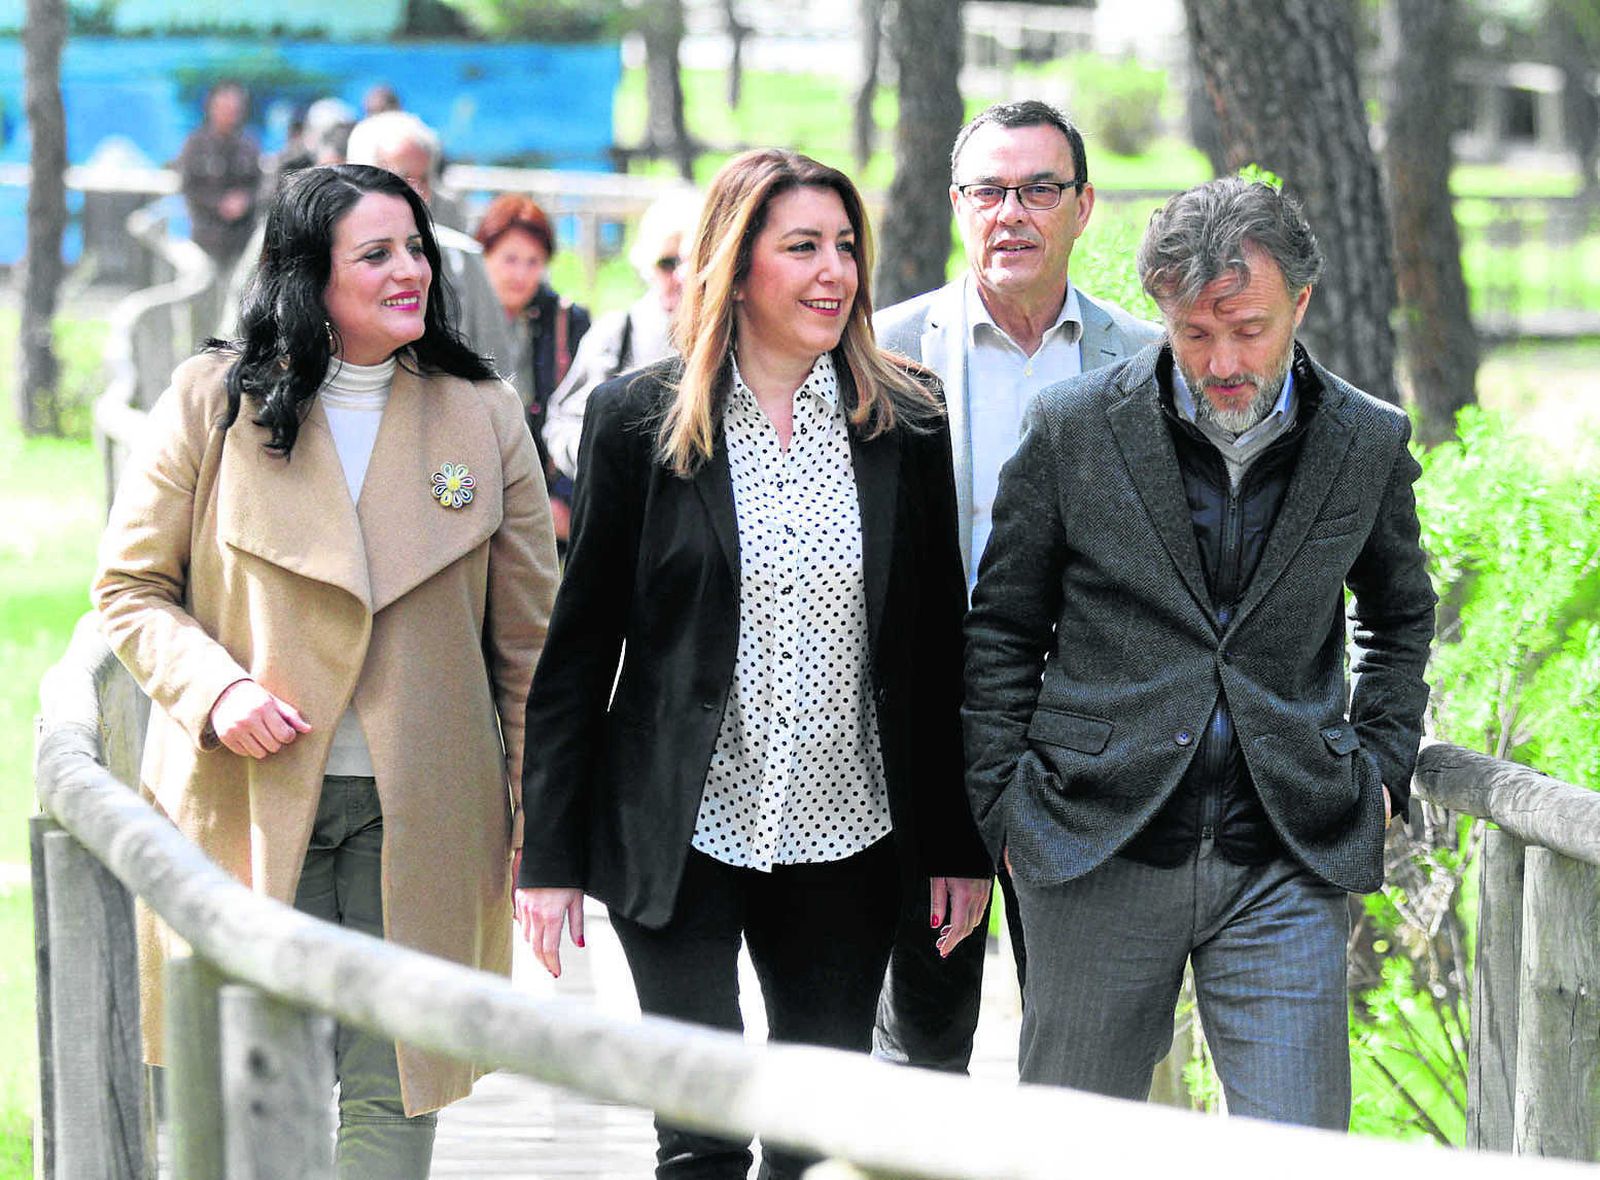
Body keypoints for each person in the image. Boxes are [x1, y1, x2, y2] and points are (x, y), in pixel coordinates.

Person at [515, 148, 991, 1179]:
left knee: (813, 1132)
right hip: (676, 826)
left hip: (847, 829)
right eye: (803, 248)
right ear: (737, 264)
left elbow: (932, 648)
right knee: (700, 1134)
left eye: (845, 247)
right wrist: (546, 857)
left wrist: (954, 844)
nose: (835, 272)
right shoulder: (637, 419)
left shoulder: (904, 418)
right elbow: (578, 647)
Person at [94, 163, 558, 1177]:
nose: (414, 272)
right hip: (247, 797)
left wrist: (538, 822)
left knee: (396, 1086)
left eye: (417, 248)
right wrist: (218, 691)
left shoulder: (482, 415)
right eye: (378, 253)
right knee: (262, 1084)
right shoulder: (208, 403)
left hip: (427, 812)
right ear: (309, 275)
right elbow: (130, 587)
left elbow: (529, 649)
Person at [963, 177, 1436, 1127]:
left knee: (1296, 1152)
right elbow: (1005, 627)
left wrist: (1380, 763)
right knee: (1066, 1150)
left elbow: (1400, 616)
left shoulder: (1368, 441)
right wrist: (1003, 803)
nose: (1222, 360)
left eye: (1248, 328)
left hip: (1287, 854)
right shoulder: (1073, 428)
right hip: (1094, 847)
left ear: (1301, 304)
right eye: (1193, 332)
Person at [872, 99, 1161, 1075]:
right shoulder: (879, 353)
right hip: (916, 738)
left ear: (1084, 206)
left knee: (1081, 1054)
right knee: (915, 1051)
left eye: (1039, 188)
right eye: (989, 190)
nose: (1012, 212)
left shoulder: (1151, 364)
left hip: (1089, 751)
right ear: (957, 204)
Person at [543, 188, 702, 482]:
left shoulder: (735, 336)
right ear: (647, 264)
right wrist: (607, 461)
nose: (680, 276)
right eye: (667, 263)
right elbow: (564, 423)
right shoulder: (617, 332)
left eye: (692, 263)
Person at [344, 111, 509, 368]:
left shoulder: (461, 260)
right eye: (401, 177)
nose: (416, 191)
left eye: (423, 178)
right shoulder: (318, 251)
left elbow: (499, 370)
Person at [474, 194, 593, 544]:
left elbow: (581, 414)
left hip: (544, 489)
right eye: (509, 259)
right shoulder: (459, 314)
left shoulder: (567, 321)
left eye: (533, 261)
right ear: (484, 255)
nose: (521, 274)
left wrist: (564, 497)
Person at [177, 81, 262, 266]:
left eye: (235, 108)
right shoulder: (195, 145)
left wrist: (245, 201)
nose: (230, 113)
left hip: (241, 239)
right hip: (205, 239)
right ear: (212, 107)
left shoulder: (249, 145)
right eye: (225, 107)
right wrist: (219, 204)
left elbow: (260, 186)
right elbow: (188, 187)